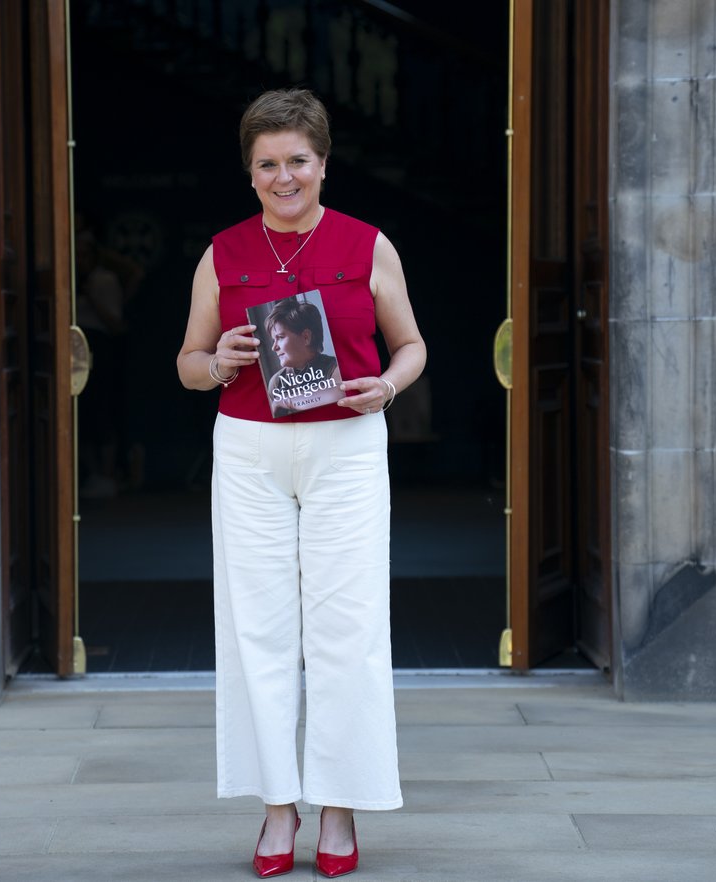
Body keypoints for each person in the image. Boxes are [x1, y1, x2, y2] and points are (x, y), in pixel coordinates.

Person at [176, 87, 426, 879]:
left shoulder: (368, 244)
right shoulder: (222, 253)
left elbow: (413, 345)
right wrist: (218, 364)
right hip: (249, 447)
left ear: (323, 163)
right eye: (267, 165)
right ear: (249, 173)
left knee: (345, 628)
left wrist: (386, 387)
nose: (284, 178)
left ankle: (341, 805)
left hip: (347, 446)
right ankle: (278, 806)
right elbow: (187, 362)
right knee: (257, 629)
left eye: (298, 162)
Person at [262, 296, 342, 417]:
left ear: (306, 337)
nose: (274, 347)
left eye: (280, 337)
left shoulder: (335, 368)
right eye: (274, 340)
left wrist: (284, 401)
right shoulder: (276, 382)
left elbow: (339, 392)